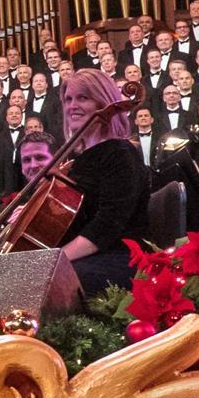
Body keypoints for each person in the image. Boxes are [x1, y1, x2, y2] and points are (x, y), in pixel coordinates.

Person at [56, 68, 148, 294]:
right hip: (85, 256)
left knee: (52, 284)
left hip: (116, 257)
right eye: (68, 99)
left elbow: (107, 225)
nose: (72, 106)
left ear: (103, 103)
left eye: (83, 97)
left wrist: (56, 261)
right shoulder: (76, 160)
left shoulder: (120, 153)